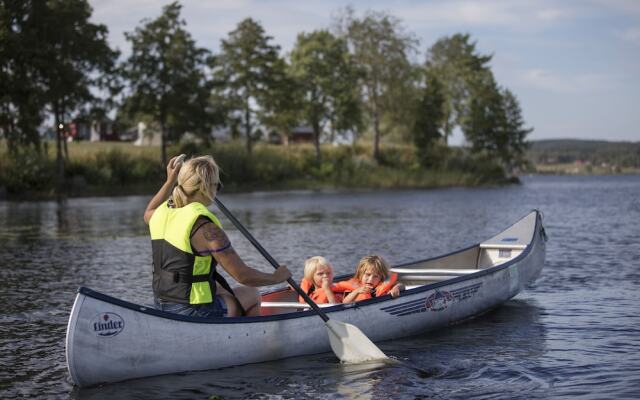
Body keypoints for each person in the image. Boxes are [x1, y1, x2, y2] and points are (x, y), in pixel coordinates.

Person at [143, 155, 291, 318]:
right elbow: (243, 276)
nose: (216, 191)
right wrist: (276, 277)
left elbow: (148, 212)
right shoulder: (205, 227)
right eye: (217, 186)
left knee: (218, 287)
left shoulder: (160, 214)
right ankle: (247, 339)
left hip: (161, 305)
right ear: (206, 187)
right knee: (252, 294)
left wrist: (170, 180)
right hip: (193, 312)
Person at [336, 254, 404, 303]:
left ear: (381, 277)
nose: (370, 279)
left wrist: (396, 288)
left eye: (375, 276)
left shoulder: (380, 285)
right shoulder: (354, 288)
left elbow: (402, 286)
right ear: (360, 274)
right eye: (368, 275)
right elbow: (344, 302)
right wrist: (356, 291)